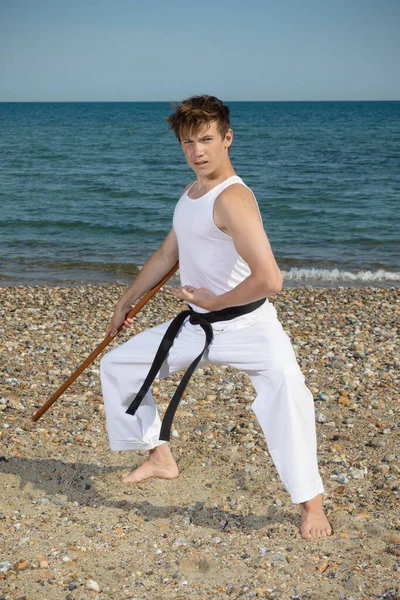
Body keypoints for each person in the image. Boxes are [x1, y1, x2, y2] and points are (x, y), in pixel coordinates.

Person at [100, 95, 332, 539]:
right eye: (188, 142)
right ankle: (159, 456)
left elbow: (270, 279)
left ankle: (311, 505)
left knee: (288, 401)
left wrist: (217, 300)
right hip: (198, 323)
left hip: (249, 326)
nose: (197, 151)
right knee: (118, 366)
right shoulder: (191, 194)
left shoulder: (233, 199)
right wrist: (126, 299)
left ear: (228, 138)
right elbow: (168, 252)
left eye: (206, 139)